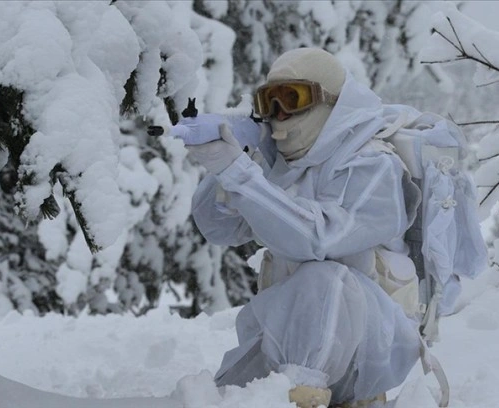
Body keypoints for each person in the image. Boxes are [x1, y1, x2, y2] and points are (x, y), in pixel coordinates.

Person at [184, 47, 479, 407]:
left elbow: (318, 239)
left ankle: (304, 395)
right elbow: (218, 228)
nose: (278, 115)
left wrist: (241, 176)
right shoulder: (284, 166)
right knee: (224, 394)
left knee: (325, 278)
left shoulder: (374, 166)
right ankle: (285, 390)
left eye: (292, 98)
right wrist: (234, 160)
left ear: (331, 101)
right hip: (288, 337)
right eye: (268, 102)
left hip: (369, 351)